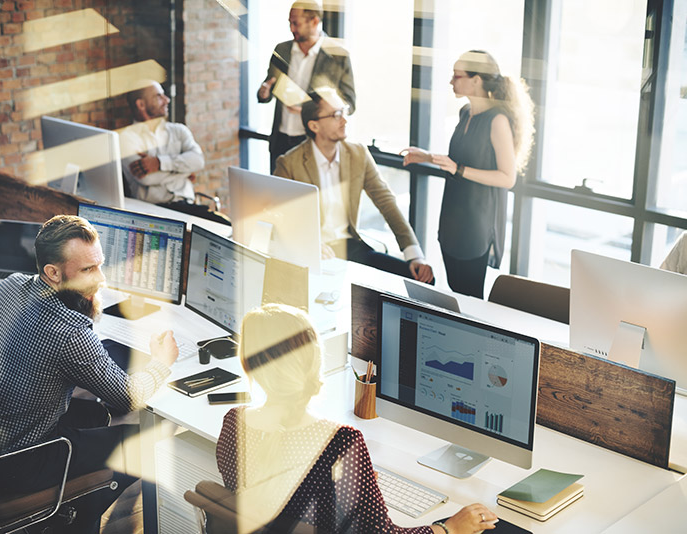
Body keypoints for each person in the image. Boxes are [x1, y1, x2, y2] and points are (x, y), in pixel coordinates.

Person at [0, 215, 179, 533]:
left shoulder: (6, 287)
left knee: (96, 415)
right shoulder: (70, 333)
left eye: (100, 265)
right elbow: (128, 398)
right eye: (88, 270)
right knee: (146, 443)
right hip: (19, 461)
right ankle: (71, 517)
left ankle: (71, 508)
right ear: (52, 272)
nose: (101, 279)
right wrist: (161, 361)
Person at [216, 303, 497, 534]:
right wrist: (449, 528)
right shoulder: (341, 441)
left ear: (248, 365)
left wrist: (355, 488)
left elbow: (277, 498)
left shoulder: (233, 423)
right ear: (315, 362)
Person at [402, 50, 534, 298]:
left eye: (457, 75)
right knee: (455, 292)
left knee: (471, 298)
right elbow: (461, 161)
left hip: (476, 224)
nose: (451, 81)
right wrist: (427, 156)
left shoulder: (497, 121)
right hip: (452, 219)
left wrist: (458, 170)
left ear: (476, 80)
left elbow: (507, 177)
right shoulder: (465, 112)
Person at [275, 89, 434, 283]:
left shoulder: (358, 154)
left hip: (351, 246)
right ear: (314, 125)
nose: (345, 120)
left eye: (345, 111)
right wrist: (308, 245)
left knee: (420, 279)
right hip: (311, 250)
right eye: (336, 115)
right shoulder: (290, 163)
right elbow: (281, 219)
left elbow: (386, 201)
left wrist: (414, 254)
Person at [258, 0, 355, 173]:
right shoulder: (281, 50)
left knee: (308, 197)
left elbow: (349, 103)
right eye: (290, 23)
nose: (292, 28)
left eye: (296, 23)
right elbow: (269, 85)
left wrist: (307, 108)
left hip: (313, 142)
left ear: (315, 21)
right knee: (278, 195)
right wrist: (264, 92)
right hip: (280, 140)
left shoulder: (338, 56)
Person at [120, 80, 228, 224]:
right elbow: (146, 179)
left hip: (186, 206)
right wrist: (184, 172)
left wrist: (159, 163)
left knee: (225, 226)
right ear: (141, 105)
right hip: (152, 211)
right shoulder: (126, 138)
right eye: (159, 97)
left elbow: (198, 161)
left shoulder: (179, 131)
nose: (167, 100)